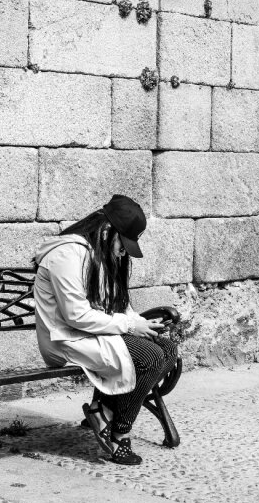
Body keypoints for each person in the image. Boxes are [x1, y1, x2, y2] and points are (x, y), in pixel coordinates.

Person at [32, 195, 178, 465]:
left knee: (167, 349)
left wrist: (139, 323)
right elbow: (76, 316)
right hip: (65, 339)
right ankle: (119, 432)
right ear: (108, 231)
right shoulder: (66, 254)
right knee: (149, 357)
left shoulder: (99, 254)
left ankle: (104, 410)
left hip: (92, 333)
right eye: (124, 245)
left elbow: (118, 306)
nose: (123, 253)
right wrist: (130, 325)